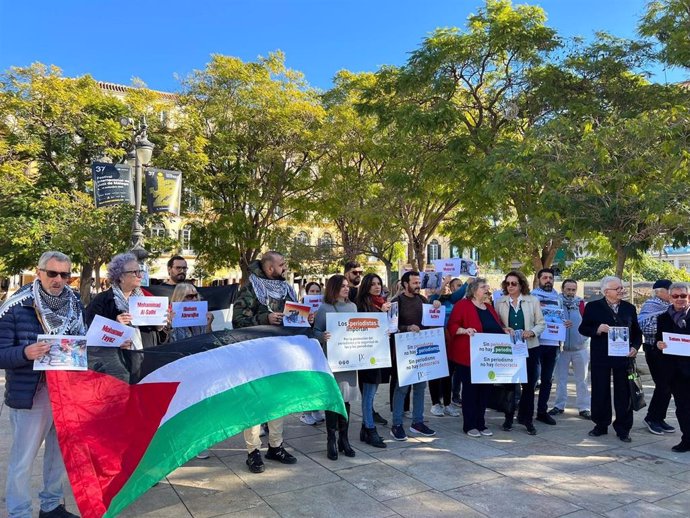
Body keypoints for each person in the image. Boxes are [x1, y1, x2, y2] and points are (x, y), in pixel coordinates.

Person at [0, 251, 84, 518]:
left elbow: (85, 343)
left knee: (58, 456)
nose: (58, 280)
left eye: (64, 275)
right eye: (52, 273)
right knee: (23, 460)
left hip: (66, 392)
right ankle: (19, 511)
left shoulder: (76, 304)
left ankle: (51, 506)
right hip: (32, 394)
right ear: (39, 272)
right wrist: (26, 353)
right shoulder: (16, 305)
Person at [232, 251, 299, 473]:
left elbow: (294, 318)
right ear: (270, 268)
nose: (285, 268)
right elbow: (238, 321)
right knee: (255, 403)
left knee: (277, 401)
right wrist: (265, 318)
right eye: (281, 265)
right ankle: (253, 452)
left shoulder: (287, 289)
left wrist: (304, 318)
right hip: (254, 354)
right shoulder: (251, 288)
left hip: (278, 354)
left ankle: (276, 446)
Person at [579, 276, 642, 442]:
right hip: (601, 357)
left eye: (621, 288)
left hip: (624, 357)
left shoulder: (629, 308)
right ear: (606, 292)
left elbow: (637, 333)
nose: (621, 291)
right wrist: (598, 329)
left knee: (624, 393)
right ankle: (600, 424)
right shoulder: (593, 307)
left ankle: (623, 428)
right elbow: (583, 328)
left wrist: (635, 347)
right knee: (600, 391)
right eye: (618, 289)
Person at [448, 277, 510, 437]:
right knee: (470, 391)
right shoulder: (463, 305)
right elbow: (452, 326)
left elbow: (496, 327)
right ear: (474, 290)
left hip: (487, 358)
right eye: (484, 287)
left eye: (487, 287)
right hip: (467, 356)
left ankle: (481, 423)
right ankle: (469, 425)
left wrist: (505, 330)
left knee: (485, 391)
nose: (487, 289)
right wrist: (464, 330)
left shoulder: (489, 308)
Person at [313, 275, 359, 459]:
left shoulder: (353, 307)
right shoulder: (324, 309)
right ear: (334, 288)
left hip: (349, 358)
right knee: (333, 398)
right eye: (343, 286)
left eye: (348, 286)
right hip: (331, 359)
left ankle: (344, 439)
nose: (347, 289)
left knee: (346, 400)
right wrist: (322, 336)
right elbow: (315, 331)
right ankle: (331, 439)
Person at [166, 283, 214, 458]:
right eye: (189, 296)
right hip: (180, 368)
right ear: (179, 298)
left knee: (198, 406)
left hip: (199, 367)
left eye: (195, 295)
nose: (194, 299)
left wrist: (208, 324)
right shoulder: (170, 317)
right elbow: (168, 344)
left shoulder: (201, 315)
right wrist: (168, 325)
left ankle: (197, 443)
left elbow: (208, 341)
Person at [495, 271, 546, 434]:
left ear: (521, 284)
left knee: (529, 386)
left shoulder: (532, 301)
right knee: (510, 385)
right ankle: (508, 418)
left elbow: (541, 323)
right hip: (509, 350)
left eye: (513, 283)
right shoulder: (500, 302)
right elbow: (496, 323)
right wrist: (504, 329)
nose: (510, 286)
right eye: (507, 283)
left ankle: (527, 419)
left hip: (530, 348)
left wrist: (531, 332)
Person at [389, 271, 437, 441]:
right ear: (404, 284)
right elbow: (391, 326)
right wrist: (407, 328)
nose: (418, 285)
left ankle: (417, 422)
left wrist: (436, 310)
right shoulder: (396, 302)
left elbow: (431, 321)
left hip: (421, 350)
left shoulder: (423, 300)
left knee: (420, 387)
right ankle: (396, 425)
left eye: (419, 282)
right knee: (402, 389)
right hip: (403, 352)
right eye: (415, 282)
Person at [85, 253, 165, 349]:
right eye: (135, 272)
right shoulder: (101, 301)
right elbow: (91, 336)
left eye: (140, 271)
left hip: (146, 358)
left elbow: (158, 339)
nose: (140, 276)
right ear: (120, 276)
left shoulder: (146, 300)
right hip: (117, 361)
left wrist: (161, 325)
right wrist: (115, 327)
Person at [355, 273, 392, 448]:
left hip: (380, 352)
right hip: (366, 354)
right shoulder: (362, 305)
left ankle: (365, 428)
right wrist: (380, 314)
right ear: (366, 286)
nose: (377, 287)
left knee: (373, 390)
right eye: (373, 284)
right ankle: (370, 429)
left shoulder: (381, 303)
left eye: (379, 283)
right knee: (368, 394)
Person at [548, 279, 591, 419]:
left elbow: (588, 322)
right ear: (563, 289)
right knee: (560, 379)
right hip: (562, 348)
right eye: (568, 289)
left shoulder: (581, 304)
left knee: (582, 380)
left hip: (580, 348)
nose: (571, 292)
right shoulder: (556, 303)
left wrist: (583, 338)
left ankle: (584, 407)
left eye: (573, 289)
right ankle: (559, 405)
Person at [655, 282, 690, 452]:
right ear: (670, 297)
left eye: (683, 296)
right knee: (682, 408)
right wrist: (659, 344)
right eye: (675, 296)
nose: (679, 299)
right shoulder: (663, 318)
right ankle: (687, 439)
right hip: (675, 372)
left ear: (688, 296)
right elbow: (658, 340)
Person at [639, 279, 675, 435]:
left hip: (670, 351)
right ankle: (651, 418)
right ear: (660, 291)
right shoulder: (651, 305)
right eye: (670, 291)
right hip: (654, 350)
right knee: (663, 385)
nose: (673, 295)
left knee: (670, 386)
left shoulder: (671, 307)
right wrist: (668, 317)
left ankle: (660, 418)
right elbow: (646, 328)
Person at [530, 268, 563, 426]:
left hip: (553, 344)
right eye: (545, 277)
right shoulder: (531, 296)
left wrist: (564, 324)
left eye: (551, 277)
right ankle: (527, 411)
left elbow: (560, 317)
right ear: (539, 280)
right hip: (536, 343)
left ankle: (542, 411)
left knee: (547, 380)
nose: (548, 280)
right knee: (532, 379)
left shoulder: (558, 297)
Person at [428, 276, 462, 417]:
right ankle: (436, 403)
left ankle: (448, 404)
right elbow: (434, 296)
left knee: (448, 373)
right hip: (435, 339)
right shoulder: (432, 300)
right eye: (457, 285)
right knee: (435, 373)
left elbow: (461, 293)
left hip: (450, 340)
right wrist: (445, 281)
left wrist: (469, 282)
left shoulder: (452, 300)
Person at [300, 281, 326, 426]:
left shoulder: (323, 307)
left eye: (317, 291)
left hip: (319, 347)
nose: (315, 294)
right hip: (306, 347)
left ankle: (315, 408)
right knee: (308, 380)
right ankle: (306, 412)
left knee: (318, 379)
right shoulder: (301, 307)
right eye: (312, 291)